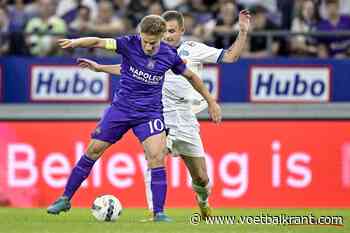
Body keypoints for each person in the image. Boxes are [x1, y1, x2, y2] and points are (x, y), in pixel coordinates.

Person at [46, 14, 222, 222]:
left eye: (153, 42)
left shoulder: (169, 55)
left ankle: (158, 213)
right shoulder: (128, 44)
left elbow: (192, 76)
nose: (148, 46)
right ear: (140, 35)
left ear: (161, 37)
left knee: (156, 157)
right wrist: (76, 42)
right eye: (145, 41)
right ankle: (65, 198)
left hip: (149, 113)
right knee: (93, 149)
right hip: (121, 110)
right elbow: (98, 41)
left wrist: (211, 101)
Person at [76, 10, 250, 219]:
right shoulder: (150, 50)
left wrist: (242, 31)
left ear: (182, 31)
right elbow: (127, 69)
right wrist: (101, 68)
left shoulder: (192, 49)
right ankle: (155, 211)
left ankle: (203, 201)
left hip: (185, 117)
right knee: (155, 158)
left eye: (172, 31)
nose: (167, 36)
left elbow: (231, 57)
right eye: (164, 31)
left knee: (201, 178)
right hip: (158, 112)